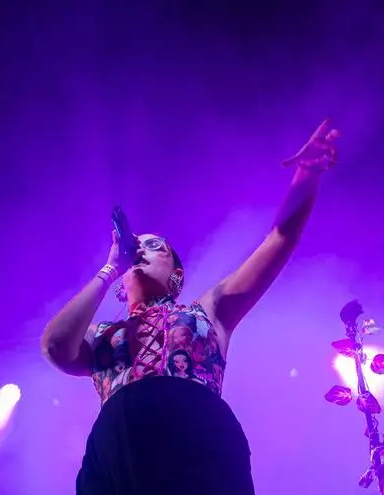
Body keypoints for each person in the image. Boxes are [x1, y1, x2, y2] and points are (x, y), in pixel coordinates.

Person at [41, 120, 340, 495]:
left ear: (176, 275)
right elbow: (55, 345)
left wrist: (307, 174)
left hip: (196, 440)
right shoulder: (100, 336)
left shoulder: (208, 311)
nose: (140, 250)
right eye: (136, 247)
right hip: (119, 451)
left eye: (155, 246)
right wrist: (110, 267)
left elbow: (278, 241)